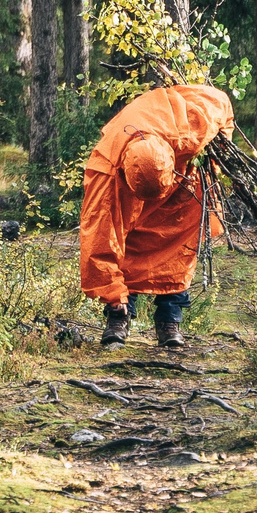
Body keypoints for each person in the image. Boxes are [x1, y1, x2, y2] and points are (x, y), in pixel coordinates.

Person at [77, 82, 236, 348]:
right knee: (125, 246)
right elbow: (99, 242)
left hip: (184, 182)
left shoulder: (194, 124)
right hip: (128, 193)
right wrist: (113, 294)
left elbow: (222, 104)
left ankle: (169, 319)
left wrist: (219, 152)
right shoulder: (106, 175)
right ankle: (118, 317)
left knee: (180, 245)